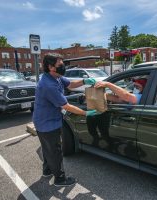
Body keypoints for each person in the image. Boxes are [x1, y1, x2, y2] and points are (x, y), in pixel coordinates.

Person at [32, 53, 98, 187]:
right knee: (55, 150)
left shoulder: (56, 77)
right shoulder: (48, 85)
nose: (63, 67)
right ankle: (60, 179)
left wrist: (85, 81)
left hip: (46, 119)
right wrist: (85, 113)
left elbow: (71, 85)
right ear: (51, 67)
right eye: (60, 65)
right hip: (46, 123)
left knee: (47, 148)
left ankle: (47, 171)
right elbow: (66, 106)